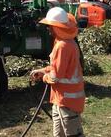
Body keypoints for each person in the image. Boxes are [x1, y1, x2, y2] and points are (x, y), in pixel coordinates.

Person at [31, 7, 85, 137]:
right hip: (60, 99)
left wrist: (44, 77)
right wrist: (42, 70)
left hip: (67, 101)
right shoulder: (67, 43)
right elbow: (57, 68)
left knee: (72, 134)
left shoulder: (63, 46)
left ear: (58, 27)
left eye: (51, 26)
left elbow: (56, 76)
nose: (49, 29)